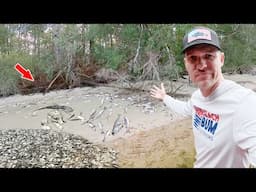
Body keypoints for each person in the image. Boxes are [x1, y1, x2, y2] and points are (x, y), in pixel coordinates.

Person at [150, 26, 256, 168]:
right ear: (186, 64)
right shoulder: (197, 98)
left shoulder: (244, 103)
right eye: (193, 58)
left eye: (208, 56)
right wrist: (164, 98)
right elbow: (184, 108)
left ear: (221, 59)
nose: (201, 66)